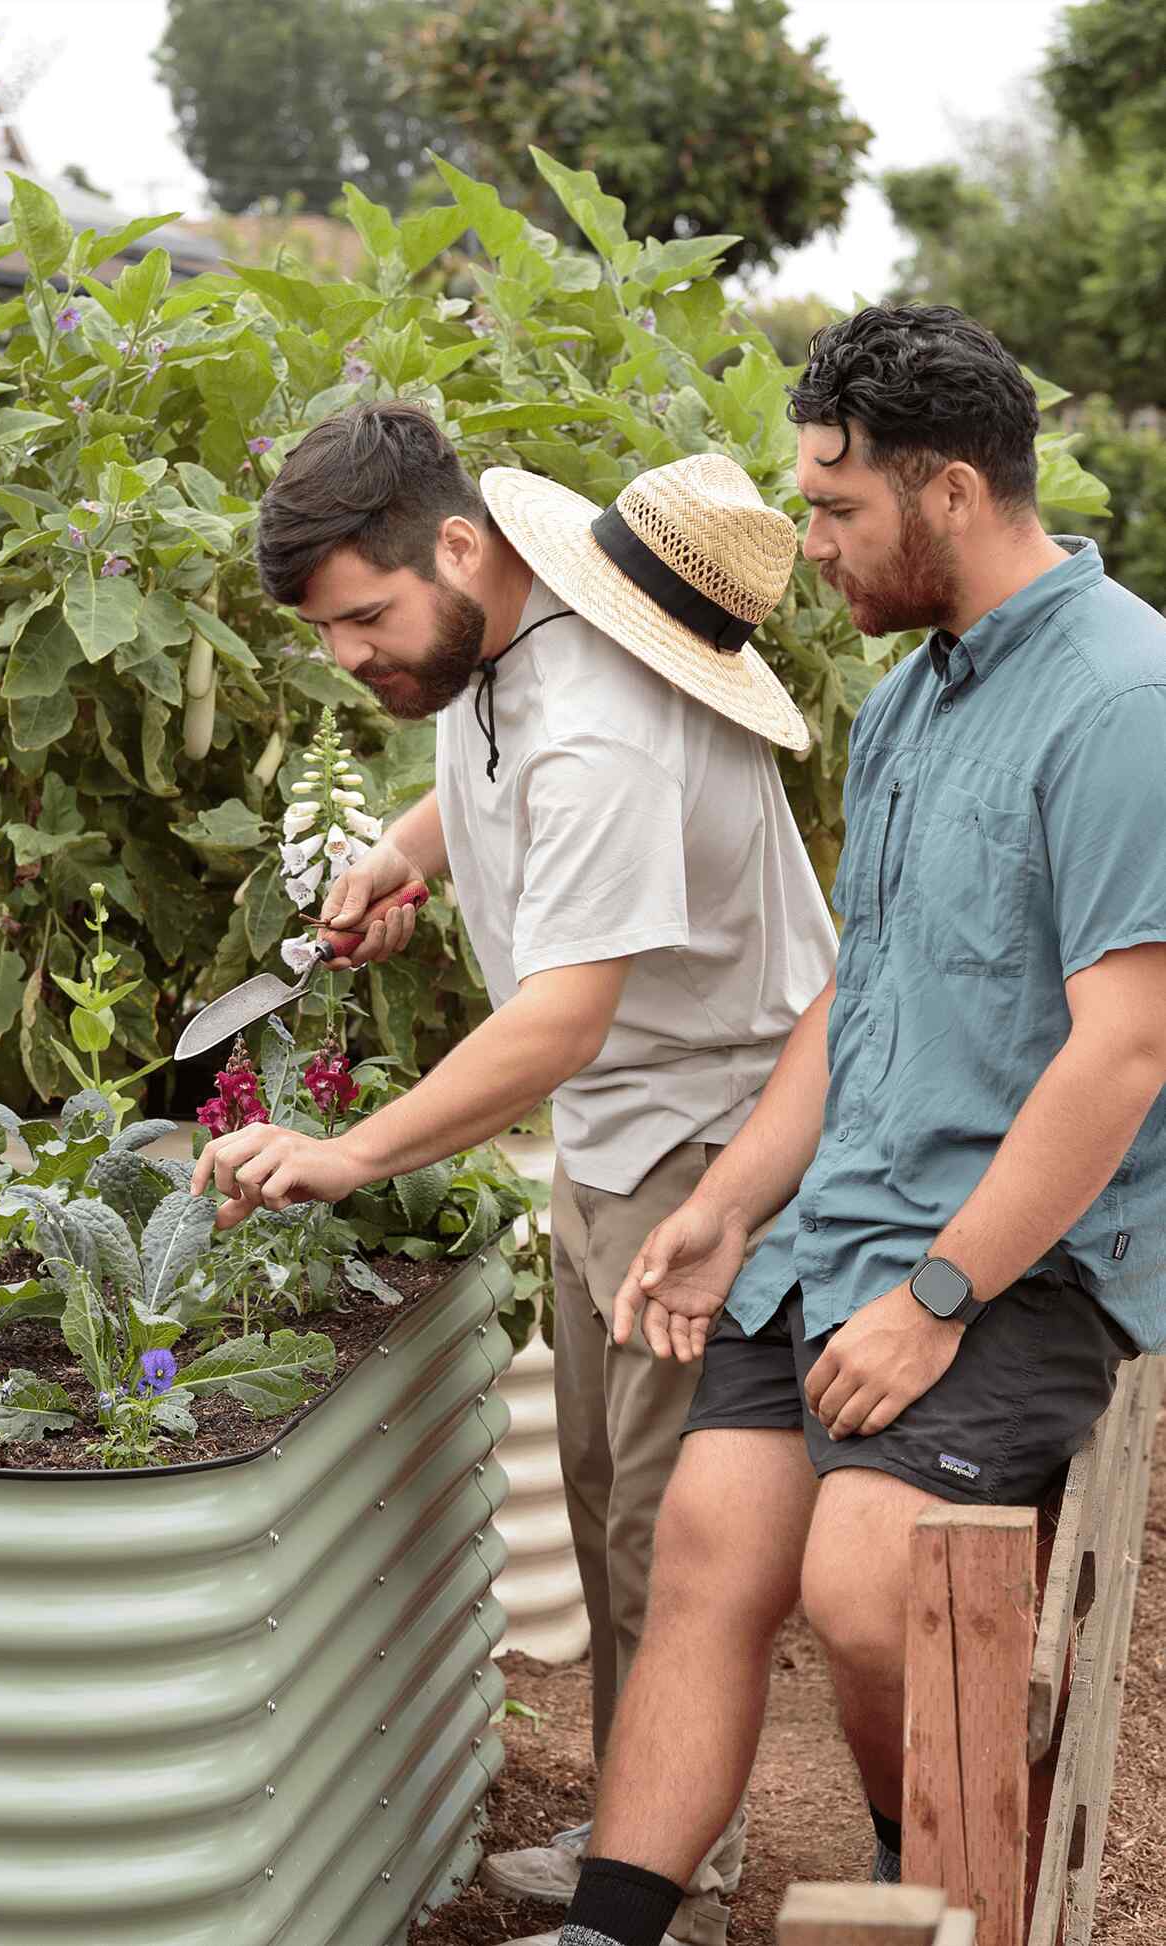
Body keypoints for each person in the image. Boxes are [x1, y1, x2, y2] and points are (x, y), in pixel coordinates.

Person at [516, 302, 1166, 1946]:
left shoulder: (1122, 703)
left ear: (947, 492)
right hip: (835, 1228)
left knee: (868, 1580)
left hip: (1016, 1253)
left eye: (830, 506)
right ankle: (610, 1925)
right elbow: (850, 1000)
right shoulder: (903, 708)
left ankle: (925, 1874)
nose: (806, 547)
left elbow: (1124, 1050)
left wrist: (937, 1294)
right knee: (709, 1550)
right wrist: (732, 1201)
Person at [189, 401, 838, 1946]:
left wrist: (349, 1149)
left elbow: (559, 1016)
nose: (350, 652)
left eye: (364, 614)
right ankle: (650, 1823)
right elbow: (485, 780)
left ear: (460, 547)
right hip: (623, 1128)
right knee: (610, 1491)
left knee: (669, 1529)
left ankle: (670, 1882)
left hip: (710, 1136)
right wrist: (398, 855)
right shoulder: (490, 642)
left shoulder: (602, 722)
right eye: (326, 629)